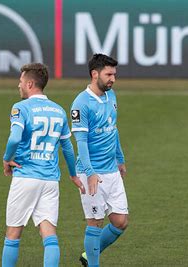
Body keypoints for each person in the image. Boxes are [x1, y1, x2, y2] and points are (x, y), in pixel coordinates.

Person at [1, 63, 81, 267]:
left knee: (13, 233)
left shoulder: (20, 108)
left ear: (29, 83)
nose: (18, 86)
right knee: (49, 234)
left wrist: (6, 158)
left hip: (26, 176)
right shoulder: (58, 110)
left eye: (20, 82)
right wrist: (73, 174)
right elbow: (68, 148)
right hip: (50, 181)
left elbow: (14, 139)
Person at [71, 54, 128, 267]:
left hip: (111, 170)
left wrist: (119, 158)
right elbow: (81, 142)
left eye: (114, 74)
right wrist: (90, 172)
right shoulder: (81, 103)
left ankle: (88, 256)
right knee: (94, 223)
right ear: (95, 74)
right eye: (109, 74)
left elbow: (113, 129)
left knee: (120, 221)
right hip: (91, 172)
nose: (113, 78)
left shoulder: (111, 95)